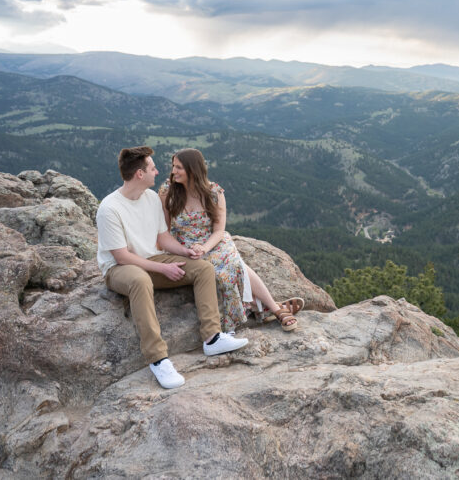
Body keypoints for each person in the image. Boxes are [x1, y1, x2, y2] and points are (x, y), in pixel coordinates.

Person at [96, 146, 248, 390]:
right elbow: (122, 256)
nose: (158, 171)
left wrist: (185, 252)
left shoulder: (150, 199)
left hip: (153, 259)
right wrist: (162, 270)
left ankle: (212, 337)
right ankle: (158, 359)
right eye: (152, 168)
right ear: (139, 174)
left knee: (202, 268)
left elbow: (163, 238)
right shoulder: (109, 208)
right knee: (140, 281)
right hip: (120, 269)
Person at [159, 148, 304, 332]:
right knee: (218, 274)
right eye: (173, 167)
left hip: (212, 241)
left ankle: (274, 309)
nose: (173, 171)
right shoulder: (167, 191)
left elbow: (219, 231)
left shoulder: (214, 192)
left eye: (178, 167)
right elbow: (164, 230)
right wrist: (182, 249)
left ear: (192, 169)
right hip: (182, 246)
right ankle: (273, 307)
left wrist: (204, 248)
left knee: (234, 265)